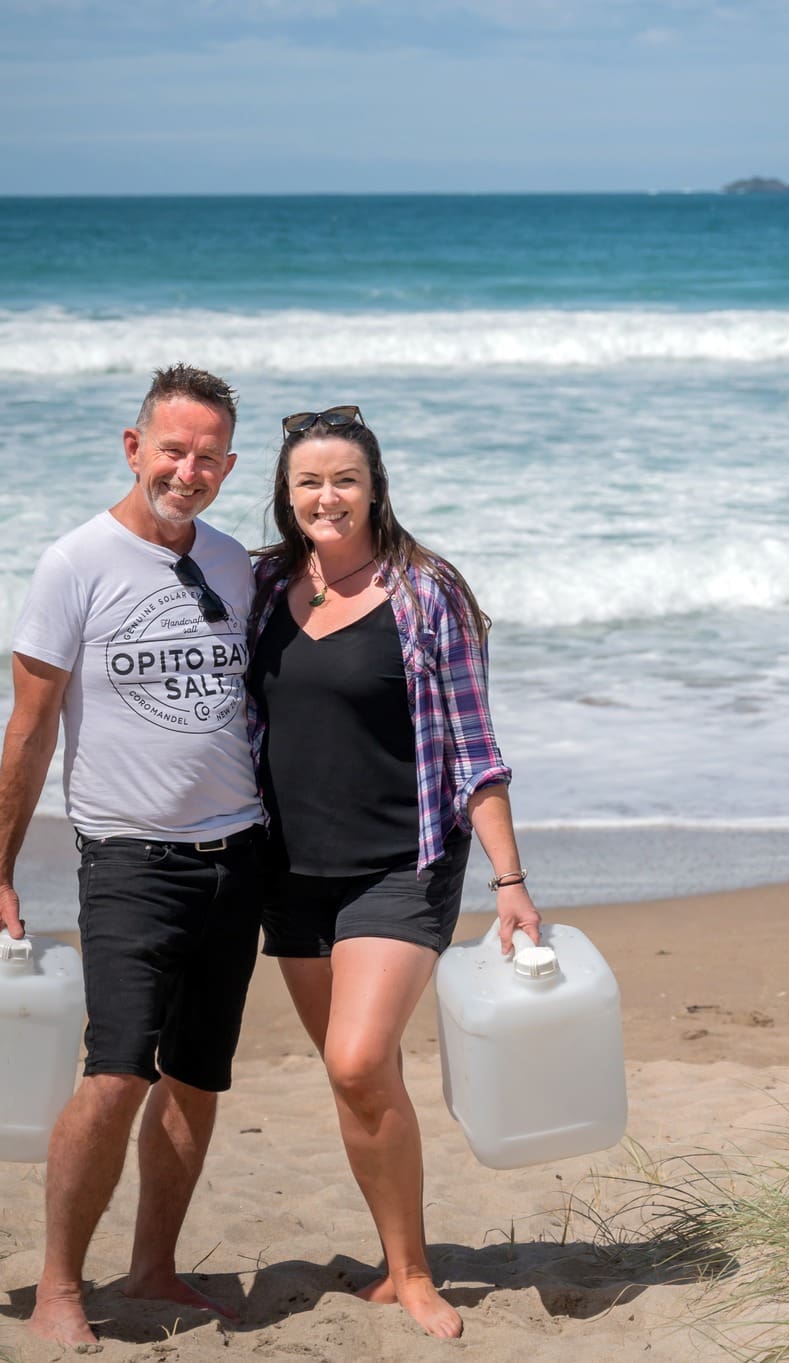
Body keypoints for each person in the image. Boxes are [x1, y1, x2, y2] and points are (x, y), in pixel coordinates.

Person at [0, 364, 264, 1350]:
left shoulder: (235, 565)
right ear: (133, 446)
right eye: (170, 449)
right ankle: (62, 1284)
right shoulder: (75, 563)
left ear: (227, 467)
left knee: (194, 1076)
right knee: (115, 1072)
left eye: (206, 456)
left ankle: (152, 1266)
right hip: (131, 860)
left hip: (239, 857)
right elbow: (29, 731)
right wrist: (0, 876)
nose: (186, 470)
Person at [248, 404, 542, 1340]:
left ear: (374, 488)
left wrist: (509, 882)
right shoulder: (261, 587)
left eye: (343, 479)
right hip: (289, 870)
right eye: (308, 481)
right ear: (285, 493)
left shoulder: (425, 591)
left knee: (357, 1056)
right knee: (355, 1082)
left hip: (400, 863)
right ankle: (392, 1252)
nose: (325, 496)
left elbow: (472, 747)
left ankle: (414, 1274)